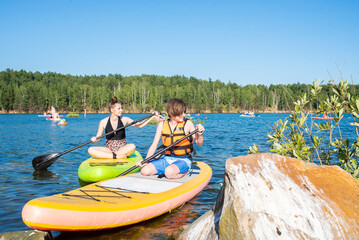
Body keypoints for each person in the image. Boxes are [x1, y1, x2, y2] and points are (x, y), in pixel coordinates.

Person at [139, 98, 205, 179]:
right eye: (182, 112)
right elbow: (154, 145)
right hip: (167, 159)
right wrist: (146, 161)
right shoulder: (162, 125)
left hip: (183, 160)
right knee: (145, 171)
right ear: (172, 112)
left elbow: (199, 143)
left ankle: (185, 171)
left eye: (184, 112)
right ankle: (168, 169)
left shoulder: (187, 124)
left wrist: (200, 134)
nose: (184, 115)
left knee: (169, 172)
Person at [88, 96, 160, 159]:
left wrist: (152, 117)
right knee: (90, 150)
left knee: (132, 146)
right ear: (112, 110)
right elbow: (98, 138)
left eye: (121, 108)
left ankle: (112, 156)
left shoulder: (125, 119)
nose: (121, 110)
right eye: (119, 108)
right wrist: (94, 139)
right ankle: (116, 157)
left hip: (122, 148)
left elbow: (140, 125)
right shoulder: (103, 122)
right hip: (109, 149)